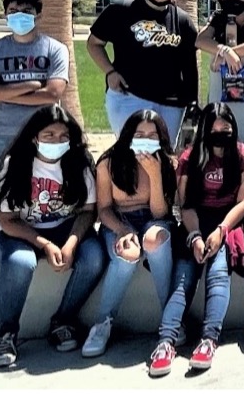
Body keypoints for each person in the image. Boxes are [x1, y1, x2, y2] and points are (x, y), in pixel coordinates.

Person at [0, 105, 104, 367]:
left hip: (64, 227)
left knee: (94, 257)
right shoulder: (11, 164)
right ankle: (6, 333)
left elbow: (87, 211)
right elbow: (7, 219)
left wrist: (71, 244)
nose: (57, 141)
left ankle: (63, 320)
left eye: (63, 136)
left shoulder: (80, 162)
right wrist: (45, 244)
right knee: (20, 262)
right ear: (33, 136)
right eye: (49, 135)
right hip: (16, 230)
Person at [151, 102, 244, 376]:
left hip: (229, 222)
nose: (221, 133)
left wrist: (221, 231)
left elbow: (243, 203)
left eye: (226, 128)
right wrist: (196, 236)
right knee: (184, 276)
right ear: (204, 130)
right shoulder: (189, 158)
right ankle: (166, 342)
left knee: (218, 272)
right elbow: (185, 205)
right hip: (195, 220)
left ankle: (209, 339)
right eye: (215, 128)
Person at [83, 110, 177, 358]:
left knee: (154, 240)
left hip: (153, 218)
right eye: (139, 134)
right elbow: (103, 209)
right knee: (128, 253)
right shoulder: (108, 163)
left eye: (152, 135)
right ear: (128, 135)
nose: (145, 139)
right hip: (118, 220)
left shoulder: (166, 162)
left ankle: (171, 318)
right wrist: (123, 229)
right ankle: (103, 322)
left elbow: (159, 213)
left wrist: (155, 176)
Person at [87, 0, 199, 136]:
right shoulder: (121, 9)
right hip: (129, 96)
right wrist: (110, 72)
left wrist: (193, 102)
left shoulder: (183, 20)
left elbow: (189, 67)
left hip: (171, 103)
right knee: (130, 153)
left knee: (164, 156)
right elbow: (94, 43)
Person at [0, 0, 70, 174]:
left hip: (43, 136)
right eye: (13, 10)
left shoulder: (55, 49)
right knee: (1, 197)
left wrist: (0, 92)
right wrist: (29, 86)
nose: (19, 15)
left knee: (42, 195)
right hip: (0, 137)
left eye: (26, 11)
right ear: (5, 15)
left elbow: (52, 94)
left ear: (38, 15)